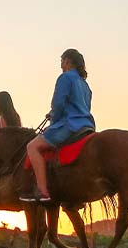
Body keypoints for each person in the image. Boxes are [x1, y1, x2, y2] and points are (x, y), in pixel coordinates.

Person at [20, 49, 96, 202]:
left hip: (69, 125)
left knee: (32, 147)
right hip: (87, 126)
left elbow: (58, 103)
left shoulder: (65, 78)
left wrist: (53, 120)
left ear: (67, 61)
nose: (61, 65)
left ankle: (42, 190)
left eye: (62, 61)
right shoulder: (85, 85)